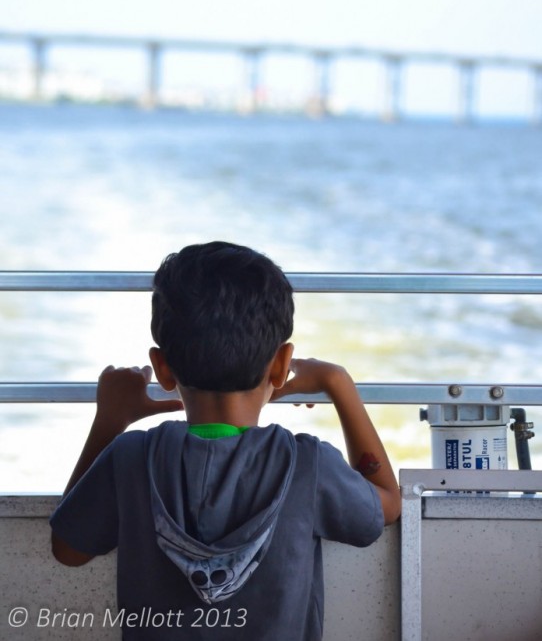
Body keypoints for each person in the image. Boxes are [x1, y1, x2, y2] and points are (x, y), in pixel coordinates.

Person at [50, 241, 401, 640]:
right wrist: (339, 384)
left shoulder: (130, 457)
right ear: (282, 364)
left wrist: (111, 419)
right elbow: (385, 505)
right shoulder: (307, 464)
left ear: (162, 368)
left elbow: (68, 548)